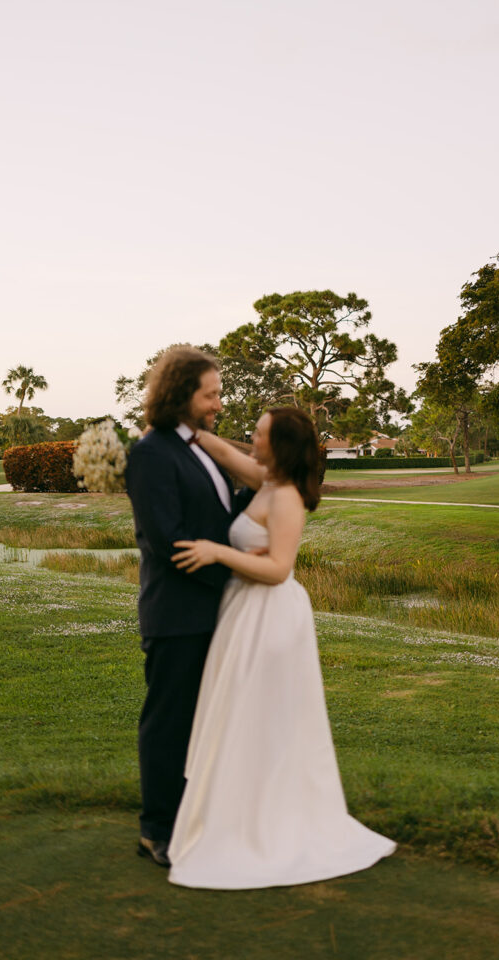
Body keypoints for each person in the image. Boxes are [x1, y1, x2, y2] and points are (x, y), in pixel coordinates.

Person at [167, 406, 396, 889]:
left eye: (260, 432)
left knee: (264, 719)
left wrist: (217, 552)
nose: (251, 436)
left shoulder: (287, 497)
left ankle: (271, 823)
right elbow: (230, 455)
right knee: (242, 716)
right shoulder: (267, 480)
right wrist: (188, 431)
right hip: (245, 612)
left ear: (280, 444)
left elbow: (278, 569)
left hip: (270, 619)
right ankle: (239, 811)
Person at [125, 345, 237, 867]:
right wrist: (238, 572)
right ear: (180, 394)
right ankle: (158, 829)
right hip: (177, 613)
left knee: (204, 723)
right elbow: (169, 542)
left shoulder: (199, 447)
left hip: (214, 610)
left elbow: (217, 518)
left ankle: (195, 816)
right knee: (169, 722)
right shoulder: (151, 453)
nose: (218, 403)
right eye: (210, 394)